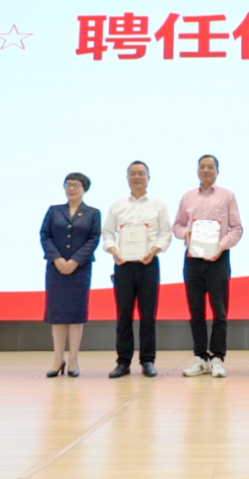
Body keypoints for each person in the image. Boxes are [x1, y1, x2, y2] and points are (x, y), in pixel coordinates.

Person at [173, 155, 243, 378]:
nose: (205, 170)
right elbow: (177, 225)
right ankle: (200, 358)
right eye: (202, 166)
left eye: (210, 167)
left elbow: (237, 228)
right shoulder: (188, 197)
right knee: (196, 312)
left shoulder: (227, 196)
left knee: (219, 312)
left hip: (218, 259)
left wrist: (221, 246)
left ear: (217, 171)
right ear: (197, 170)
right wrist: (185, 233)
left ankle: (217, 358)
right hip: (193, 259)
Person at [101, 161, 173, 379]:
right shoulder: (118, 205)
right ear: (127, 178)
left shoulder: (158, 205)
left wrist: (154, 250)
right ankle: (123, 362)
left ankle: (148, 360)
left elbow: (166, 234)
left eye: (141, 173)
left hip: (148, 264)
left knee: (148, 315)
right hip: (123, 265)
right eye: (132, 173)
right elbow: (107, 233)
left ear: (148, 178)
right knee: (123, 315)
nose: (137, 177)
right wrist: (114, 250)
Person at [39, 173, 101, 378]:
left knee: (75, 316)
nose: (71, 189)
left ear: (84, 189)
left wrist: (75, 260)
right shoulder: (54, 211)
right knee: (57, 316)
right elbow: (45, 235)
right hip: (56, 269)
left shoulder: (93, 213)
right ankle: (58, 359)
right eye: (68, 185)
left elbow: (93, 239)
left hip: (79, 270)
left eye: (76, 185)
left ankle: (73, 360)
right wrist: (57, 258)